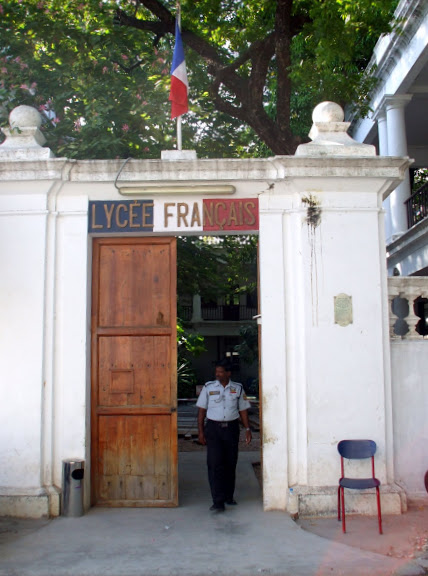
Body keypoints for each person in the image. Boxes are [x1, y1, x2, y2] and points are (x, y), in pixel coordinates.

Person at [196, 359, 252, 512]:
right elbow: (201, 411)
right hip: (213, 429)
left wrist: (247, 429)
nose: (217, 374)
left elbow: (243, 410)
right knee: (215, 464)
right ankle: (218, 501)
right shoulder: (208, 387)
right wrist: (200, 432)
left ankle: (228, 496)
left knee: (230, 462)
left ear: (228, 373)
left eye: (220, 372)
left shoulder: (238, 388)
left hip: (231, 429)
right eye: (216, 372)